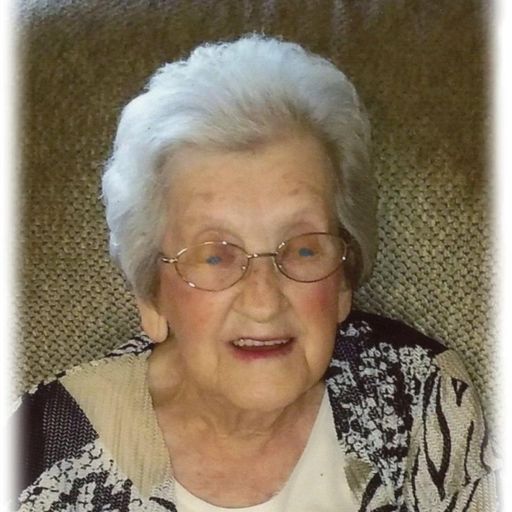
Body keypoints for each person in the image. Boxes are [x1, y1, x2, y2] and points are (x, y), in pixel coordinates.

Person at [15, 35, 497, 511]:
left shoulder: (420, 399)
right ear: (152, 295)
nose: (264, 301)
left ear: (343, 281)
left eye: (304, 249)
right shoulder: (38, 451)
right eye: (216, 256)